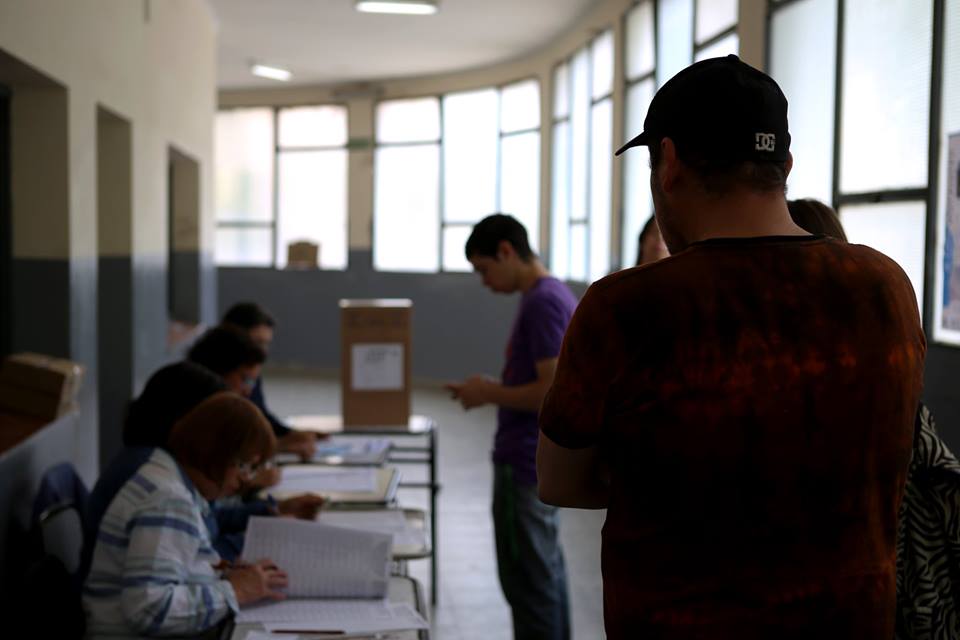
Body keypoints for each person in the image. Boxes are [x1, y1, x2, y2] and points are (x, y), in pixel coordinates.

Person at [537, 55, 926, 639]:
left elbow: (559, 480)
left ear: (669, 162)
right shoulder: (885, 286)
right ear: (784, 165)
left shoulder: (627, 305)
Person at [446, 213, 575, 640]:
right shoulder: (549, 295)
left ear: (506, 251)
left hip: (524, 464)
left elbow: (549, 392)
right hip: (533, 460)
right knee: (543, 576)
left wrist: (487, 392)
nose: (484, 282)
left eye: (484, 269)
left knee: (530, 586)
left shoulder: (542, 302)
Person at [83, 393, 288, 638]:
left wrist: (223, 577)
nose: (245, 480)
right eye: (244, 465)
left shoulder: (166, 477)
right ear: (217, 453)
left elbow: (175, 571)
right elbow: (149, 610)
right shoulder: (169, 500)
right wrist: (235, 591)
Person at [85, 362, 323, 572]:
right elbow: (199, 555)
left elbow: (209, 519)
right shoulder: (160, 486)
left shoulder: (168, 464)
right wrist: (257, 543)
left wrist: (270, 512)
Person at [222, 302, 319, 461]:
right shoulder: (212, 384)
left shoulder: (251, 370)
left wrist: (291, 433)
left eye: (266, 343)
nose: (263, 351)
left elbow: (260, 415)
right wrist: (278, 445)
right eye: (257, 342)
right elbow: (227, 447)